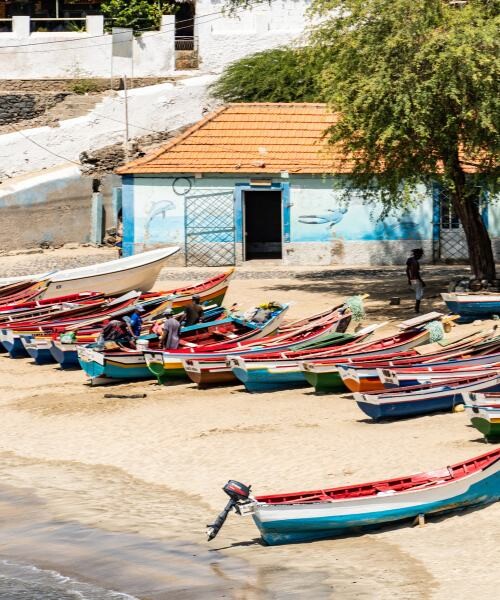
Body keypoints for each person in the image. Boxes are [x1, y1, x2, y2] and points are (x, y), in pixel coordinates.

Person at [406, 248, 426, 313]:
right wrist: (422, 281)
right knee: (419, 293)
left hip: (412, 279)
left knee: (418, 292)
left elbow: (407, 270)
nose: (420, 256)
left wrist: (409, 279)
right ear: (417, 254)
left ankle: (416, 308)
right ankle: (416, 308)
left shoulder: (410, 260)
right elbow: (417, 273)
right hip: (416, 279)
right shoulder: (416, 262)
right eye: (420, 255)